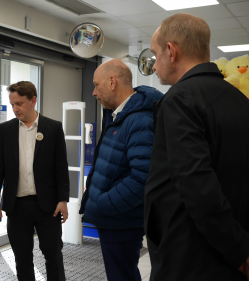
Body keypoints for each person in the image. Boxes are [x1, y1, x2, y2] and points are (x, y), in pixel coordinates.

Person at [144, 13, 249, 281]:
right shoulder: (239, 99)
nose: (154, 66)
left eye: (156, 55)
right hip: (229, 250)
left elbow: (197, 186)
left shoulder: (179, 100)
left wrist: (237, 251)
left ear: (171, 51)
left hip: (191, 257)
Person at [79, 58, 163, 281]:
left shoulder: (140, 120)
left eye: (97, 85)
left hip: (121, 220)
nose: (94, 93)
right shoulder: (119, 115)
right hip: (115, 219)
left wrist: (103, 203)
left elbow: (142, 177)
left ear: (112, 82)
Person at [0, 81, 70, 281]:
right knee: (22, 258)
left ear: (33, 101)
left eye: (20, 104)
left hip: (48, 205)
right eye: (12, 104)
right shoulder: (5, 130)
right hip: (17, 207)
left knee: (53, 255)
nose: (15, 109)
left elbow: (61, 167)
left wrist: (63, 200)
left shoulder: (53, 128)